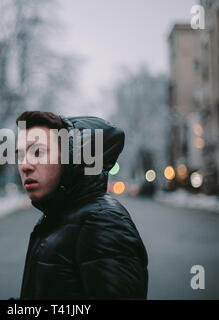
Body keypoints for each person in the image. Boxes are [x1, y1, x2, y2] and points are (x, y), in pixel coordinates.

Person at [16, 111, 148, 300]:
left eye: (38, 152)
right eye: (20, 155)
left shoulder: (101, 222)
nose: (24, 165)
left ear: (72, 157)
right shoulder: (59, 215)